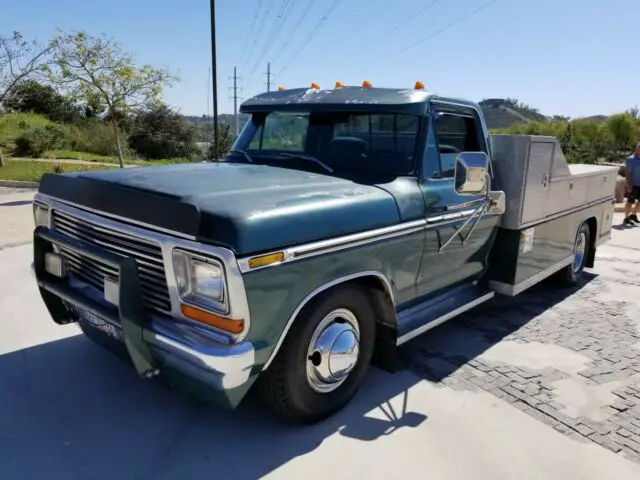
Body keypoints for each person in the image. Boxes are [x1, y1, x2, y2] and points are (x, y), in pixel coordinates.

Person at [623, 143, 640, 226]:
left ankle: (633, 214)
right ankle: (626, 218)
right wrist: (628, 185)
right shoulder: (630, 159)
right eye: (639, 147)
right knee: (629, 202)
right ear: (636, 149)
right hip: (633, 185)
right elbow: (627, 173)